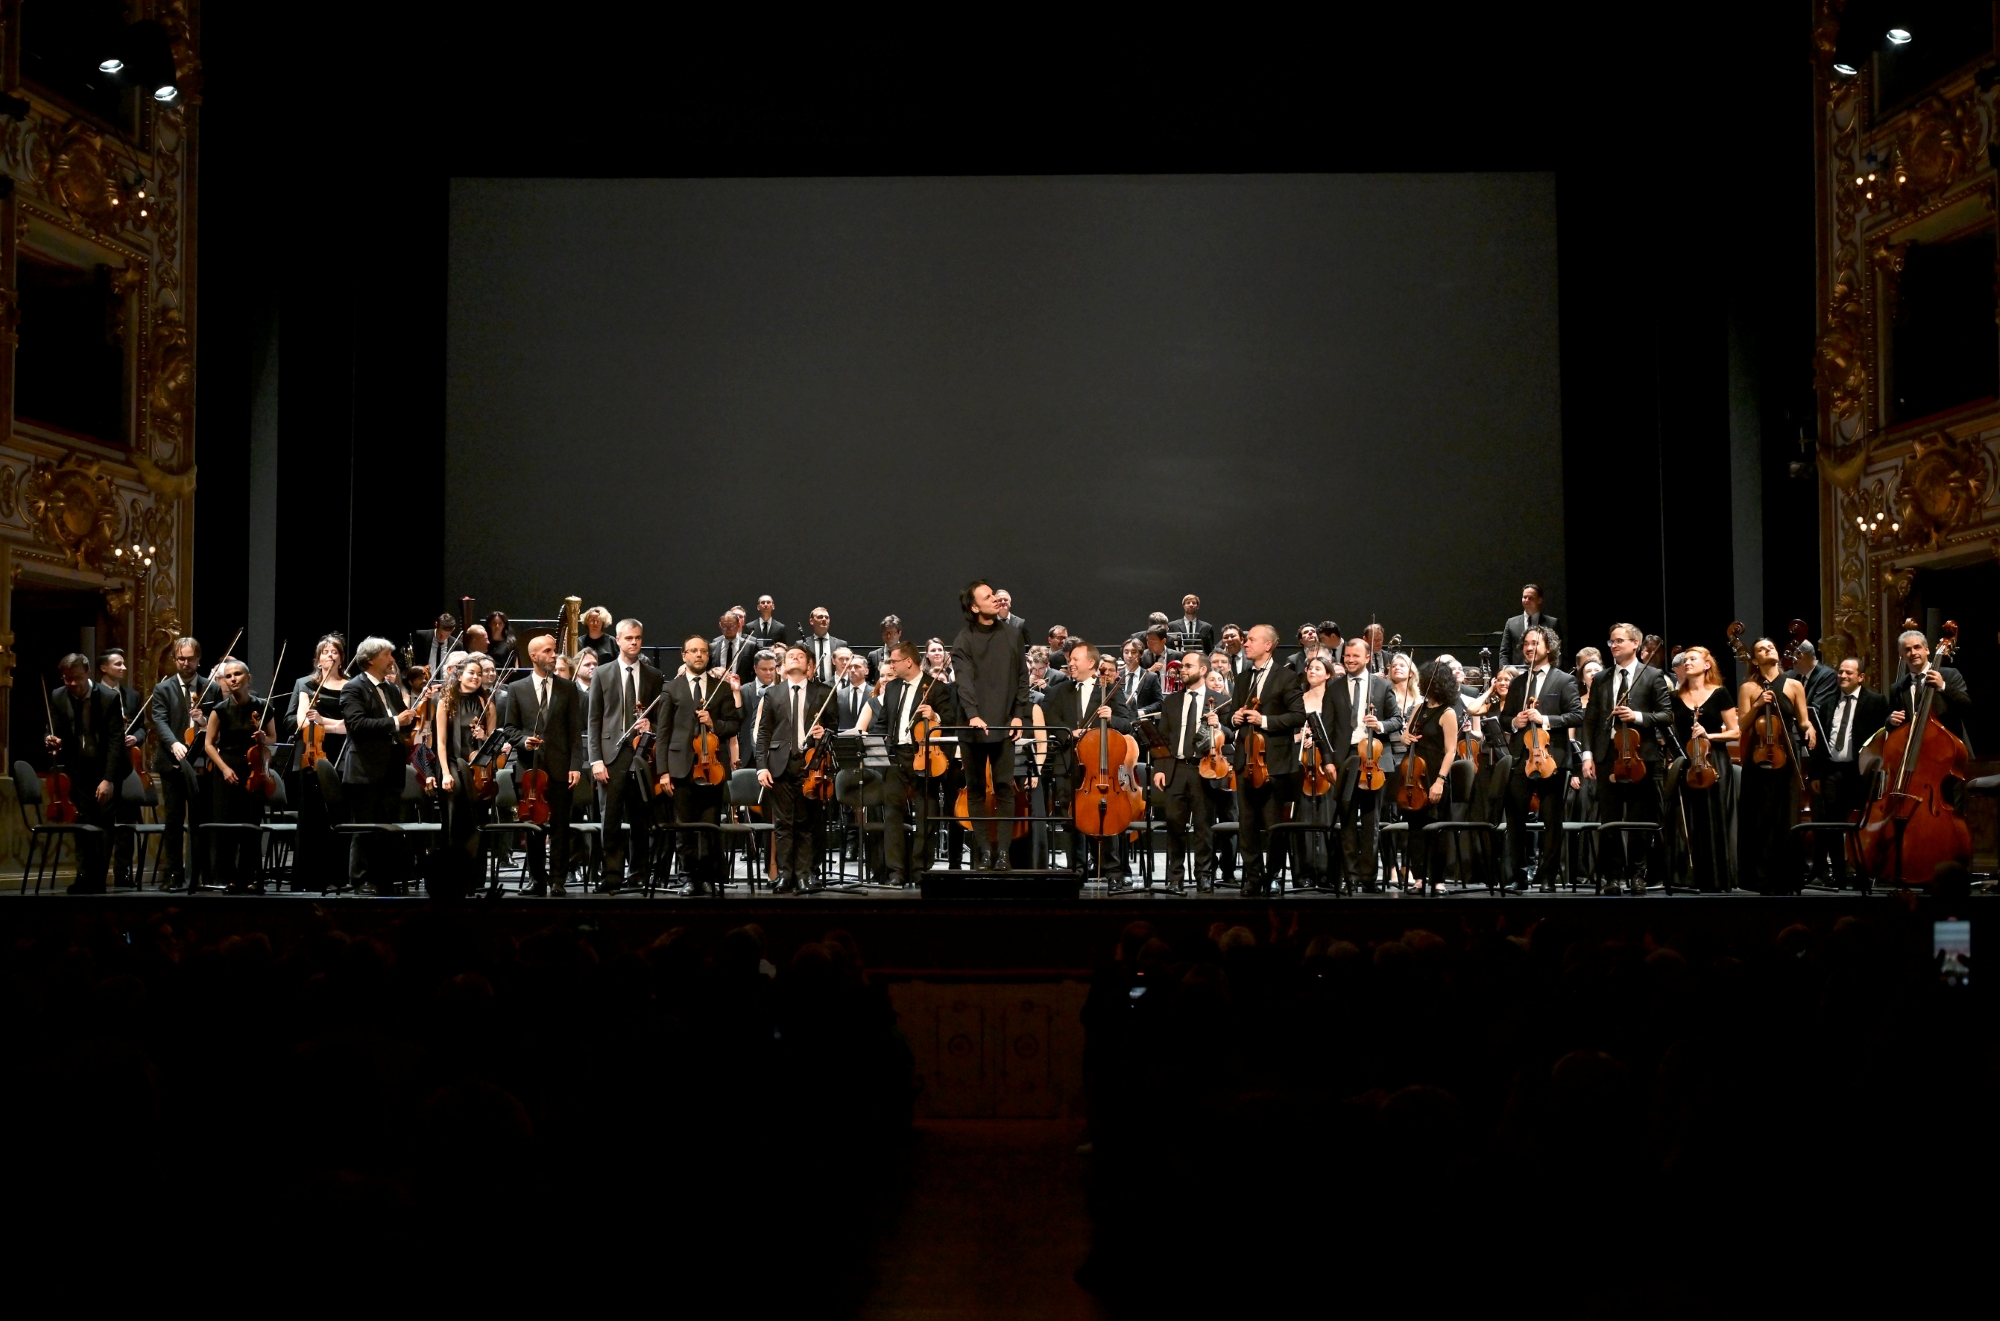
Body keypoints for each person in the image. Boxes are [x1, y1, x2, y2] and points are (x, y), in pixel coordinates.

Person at [1580, 622, 1675, 893]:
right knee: (1608, 819)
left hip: (1640, 756)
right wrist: (1588, 755)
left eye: (1619, 640)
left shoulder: (1653, 676)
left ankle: (1637, 874)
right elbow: (1591, 719)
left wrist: (1637, 717)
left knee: (1638, 820)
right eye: (1611, 641)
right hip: (1607, 754)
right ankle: (1612, 876)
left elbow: (1666, 716)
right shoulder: (1601, 678)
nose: (1614, 645)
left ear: (1635, 644)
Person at [654, 635, 744, 896]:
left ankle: (706, 876)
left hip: (712, 768)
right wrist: (663, 772)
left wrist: (713, 723)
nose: (699, 655)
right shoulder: (671, 689)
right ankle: (687, 877)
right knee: (685, 828)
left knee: (708, 826)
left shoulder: (722, 688)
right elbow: (663, 733)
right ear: (684, 655)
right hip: (681, 767)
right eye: (693, 651)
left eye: (703, 651)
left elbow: (734, 725)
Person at [952, 580, 1031, 871]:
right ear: (975, 607)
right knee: (974, 789)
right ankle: (984, 851)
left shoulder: (1013, 634)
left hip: (1004, 724)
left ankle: (1003, 854)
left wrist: (1019, 714)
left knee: (1003, 788)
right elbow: (964, 680)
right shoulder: (964, 639)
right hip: (972, 725)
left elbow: (1023, 678)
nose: (996, 599)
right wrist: (973, 714)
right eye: (988, 597)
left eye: (995, 595)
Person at [1500, 626, 1583, 891]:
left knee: (1551, 820)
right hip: (1520, 759)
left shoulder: (1563, 680)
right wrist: (1515, 720)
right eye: (1525, 643)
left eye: (1534, 643)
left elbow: (1576, 715)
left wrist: (1544, 719)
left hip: (1551, 759)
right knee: (1515, 820)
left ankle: (1548, 877)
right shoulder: (1518, 682)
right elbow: (1504, 718)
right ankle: (1519, 876)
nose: (1528, 647)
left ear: (1549, 647)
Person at [586, 618, 665, 892]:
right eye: (628, 638)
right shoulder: (602, 672)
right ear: (617, 640)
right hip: (611, 753)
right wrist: (595, 759)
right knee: (611, 818)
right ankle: (611, 875)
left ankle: (639, 873)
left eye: (638, 638)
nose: (634, 642)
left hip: (642, 753)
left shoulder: (654, 675)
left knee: (640, 817)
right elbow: (594, 719)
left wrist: (650, 726)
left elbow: (660, 720)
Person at [1045, 642, 1135, 882]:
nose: (1070, 663)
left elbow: (1127, 724)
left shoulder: (1110, 689)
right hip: (1069, 764)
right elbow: (1049, 719)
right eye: (1070, 659)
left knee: (1106, 813)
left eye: (1075, 659)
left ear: (1091, 663)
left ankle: (1112, 869)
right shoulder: (1059, 691)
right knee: (1070, 817)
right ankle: (1077, 868)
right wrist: (1067, 733)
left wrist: (1112, 717)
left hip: (1100, 768)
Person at [503, 633, 585, 895]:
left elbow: (575, 731)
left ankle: (558, 880)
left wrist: (575, 765)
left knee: (560, 826)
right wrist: (525, 741)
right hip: (531, 769)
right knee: (534, 827)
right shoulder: (517, 689)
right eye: (548, 652)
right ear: (534, 657)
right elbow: (509, 729)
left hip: (561, 766)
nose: (553, 656)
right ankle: (537, 879)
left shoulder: (567, 688)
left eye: (554, 651)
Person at [1736, 635, 1817, 894]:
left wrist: (1810, 727)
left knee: (1786, 816)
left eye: (1770, 645)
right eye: (1761, 648)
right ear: (1755, 658)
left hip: (1786, 754)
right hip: (1758, 757)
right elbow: (1742, 726)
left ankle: (1786, 877)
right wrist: (1759, 704)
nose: (1767, 649)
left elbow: (1802, 720)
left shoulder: (1794, 685)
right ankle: (1759, 878)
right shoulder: (1748, 687)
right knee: (1760, 816)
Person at [1231, 624, 1307, 896]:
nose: (1245, 643)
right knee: (1247, 825)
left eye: (1251, 639)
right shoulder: (1242, 678)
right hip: (1244, 762)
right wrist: (1234, 718)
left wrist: (1264, 720)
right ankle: (1253, 876)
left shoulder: (1286, 677)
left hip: (1273, 764)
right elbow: (1232, 714)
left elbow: (1299, 716)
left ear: (1268, 645)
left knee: (1274, 826)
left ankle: (1274, 875)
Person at [755, 643, 835, 892]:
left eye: (800, 656)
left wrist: (825, 734)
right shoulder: (773, 693)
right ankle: (785, 874)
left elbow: (834, 726)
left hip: (810, 764)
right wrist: (761, 767)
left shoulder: (823, 692)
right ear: (783, 666)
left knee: (805, 822)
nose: (795, 658)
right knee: (783, 824)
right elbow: (764, 733)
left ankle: (804, 874)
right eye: (790, 656)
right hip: (780, 764)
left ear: (809, 666)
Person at [876, 641, 956, 887]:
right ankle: (896, 872)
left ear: (908, 661)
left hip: (924, 756)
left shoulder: (936, 689)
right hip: (896, 758)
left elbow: (951, 721)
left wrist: (935, 716)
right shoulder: (891, 688)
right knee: (892, 816)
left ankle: (921, 870)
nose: (891, 665)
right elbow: (882, 723)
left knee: (926, 816)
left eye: (894, 661)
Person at [1327, 636, 1401, 893]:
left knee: (1371, 822)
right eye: (1346, 656)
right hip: (1345, 760)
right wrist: (1329, 762)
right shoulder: (1334, 687)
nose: (1349, 660)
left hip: (1374, 758)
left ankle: (1369, 877)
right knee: (1346, 821)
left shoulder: (1381, 686)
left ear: (1367, 658)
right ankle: (1351, 877)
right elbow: (1327, 728)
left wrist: (1379, 725)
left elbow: (1397, 720)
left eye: (1355, 656)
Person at [1665, 644, 1740, 892]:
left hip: (1713, 760)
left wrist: (1709, 736)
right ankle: (1690, 877)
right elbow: (1672, 732)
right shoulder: (1675, 698)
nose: (1687, 663)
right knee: (1689, 818)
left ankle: (1716, 879)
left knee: (1714, 816)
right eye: (1685, 660)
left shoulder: (1720, 693)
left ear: (1707, 665)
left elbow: (1735, 731)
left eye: (1693, 659)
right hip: (1687, 761)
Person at [45, 654, 122, 893]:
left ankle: (98, 879)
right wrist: (51, 739)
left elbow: (115, 741)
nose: (72, 684)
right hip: (77, 770)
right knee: (82, 823)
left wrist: (108, 779)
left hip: (105, 769)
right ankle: (83, 875)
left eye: (76, 678)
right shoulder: (59, 695)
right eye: (67, 679)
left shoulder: (109, 697)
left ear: (88, 672)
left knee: (103, 825)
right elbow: (55, 729)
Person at [202, 659, 278, 893]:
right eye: (228, 676)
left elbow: (274, 738)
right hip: (228, 770)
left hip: (253, 771)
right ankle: (230, 878)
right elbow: (209, 744)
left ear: (248, 678)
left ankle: (250, 877)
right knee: (228, 828)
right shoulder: (220, 709)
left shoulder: (263, 706)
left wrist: (264, 740)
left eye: (237, 674)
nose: (233, 679)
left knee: (251, 826)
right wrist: (224, 768)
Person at [1813, 655, 1888, 882]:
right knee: (1833, 822)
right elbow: (1820, 741)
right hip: (1833, 770)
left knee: (1860, 821)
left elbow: (1883, 737)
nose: (1843, 676)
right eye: (1841, 671)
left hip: (1861, 773)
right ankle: (1839, 873)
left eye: (1849, 673)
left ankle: (1863, 870)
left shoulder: (1876, 701)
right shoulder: (1827, 703)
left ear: (1861, 677)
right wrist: (1816, 774)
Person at [285, 633, 350, 893]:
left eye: (335, 651)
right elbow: (296, 722)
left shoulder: (351, 686)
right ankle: (310, 878)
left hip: (341, 755)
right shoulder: (305, 685)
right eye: (325, 651)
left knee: (339, 816)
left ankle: (338, 875)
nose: (330, 655)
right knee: (312, 818)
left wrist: (325, 723)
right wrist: (317, 723)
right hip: (312, 754)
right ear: (317, 658)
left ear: (342, 658)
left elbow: (351, 726)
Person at [148, 635, 213, 890]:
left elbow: (216, 722)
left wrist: (204, 722)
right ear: (175, 660)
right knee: (173, 820)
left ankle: (199, 873)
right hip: (172, 762)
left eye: (190, 659)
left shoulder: (211, 687)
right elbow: (159, 720)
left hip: (200, 762)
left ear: (198, 659)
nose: (185, 663)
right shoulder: (162, 689)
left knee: (199, 820)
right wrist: (174, 743)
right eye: (181, 659)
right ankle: (173, 874)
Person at [1150, 651, 1218, 891]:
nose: (1182, 670)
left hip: (1203, 768)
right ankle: (1175, 877)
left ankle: (1204, 875)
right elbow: (1163, 738)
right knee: (1174, 825)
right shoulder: (1172, 701)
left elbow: (1230, 734)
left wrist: (1218, 726)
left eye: (1188, 666)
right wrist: (1160, 768)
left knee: (1203, 826)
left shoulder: (1218, 700)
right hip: (1175, 769)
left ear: (1203, 670)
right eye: (1182, 666)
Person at [433, 652, 497, 899]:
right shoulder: (445, 701)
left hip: (477, 768)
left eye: (479, 674)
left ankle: (475, 877)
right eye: (471, 673)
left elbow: (492, 742)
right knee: (454, 817)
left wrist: (483, 738)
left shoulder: (486, 703)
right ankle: (451, 878)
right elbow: (439, 742)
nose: (476, 677)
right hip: (450, 764)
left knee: (477, 819)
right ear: (459, 675)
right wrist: (446, 773)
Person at [1399, 663, 1461, 888]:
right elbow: (1405, 735)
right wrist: (1405, 738)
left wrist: (1440, 781)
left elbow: (1451, 751)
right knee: (1415, 828)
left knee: (1437, 829)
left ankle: (1438, 880)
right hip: (1415, 776)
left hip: (1435, 774)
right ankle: (1419, 878)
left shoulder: (1448, 713)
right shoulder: (1418, 707)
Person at [96, 648, 144, 887]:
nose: (124, 668)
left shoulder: (132, 696)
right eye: (118, 664)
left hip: (126, 764)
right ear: (104, 668)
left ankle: (123, 873)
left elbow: (142, 728)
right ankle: (99, 874)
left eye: (124, 664)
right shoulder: (94, 694)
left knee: (127, 822)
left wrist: (135, 737)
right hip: (103, 765)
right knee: (104, 823)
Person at [1293, 655, 1339, 889]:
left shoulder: (1335, 700)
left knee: (1328, 821)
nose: (1311, 671)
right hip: (1304, 766)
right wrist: (1301, 738)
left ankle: (1327, 873)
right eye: (1310, 668)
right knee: (1303, 821)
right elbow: (1289, 732)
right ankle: (1304, 873)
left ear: (1328, 674)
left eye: (1318, 668)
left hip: (1326, 766)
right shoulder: (1298, 700)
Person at [1887, 627, 1972, 745]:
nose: (1913, 653)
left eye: (1917, 647)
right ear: (1901, 656)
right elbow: (1891, 724)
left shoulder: (1950, 675)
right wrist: (1891, 721)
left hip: (1947, 747)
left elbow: (1966, 706)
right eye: (1907, 649)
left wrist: (1943, 686)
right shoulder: (1897, 687)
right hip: (1915, 750)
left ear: (1927, 650)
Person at [737, 649, 779, 768]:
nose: (768, 673)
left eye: (772, 669)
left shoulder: (782, 691)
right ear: (755, 669)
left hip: (774, 751)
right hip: (747, 753)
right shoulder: (743, 690)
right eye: (764, 669)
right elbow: (738, 719)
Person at [1498, 584, 1558, 669]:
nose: (1526, 600)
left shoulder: (1552, 623)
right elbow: (1504, 653)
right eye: (1524, 597)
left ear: (1539, 600)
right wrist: (1505, 672)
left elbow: (1557, 653)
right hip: (1517, 673)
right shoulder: (1511, 623)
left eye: (1530, 598)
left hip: (1544, 673)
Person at [1116, 638, 1163, 716]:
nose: (1129, 656)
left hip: (1141, 721)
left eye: (1134, 652)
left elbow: (1159, 703)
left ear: (1141, 654)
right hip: (1121, 722)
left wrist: (1142, 712)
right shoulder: (1117, 676)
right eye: (1126, 652)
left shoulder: (1150, 677)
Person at [713, 608, 757, 681]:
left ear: (738, 625)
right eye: (724, 626)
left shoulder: (750, 646)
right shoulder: (713, 646)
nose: (728, 629)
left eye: (732, 626)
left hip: (742, 689)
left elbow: (755, 671)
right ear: (720, 625)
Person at [866, 615, 905, 683]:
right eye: (885, 633)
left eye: (892, 633)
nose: (888, 636)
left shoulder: (908, 653)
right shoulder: (873, 655)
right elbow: (867, 680)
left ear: (899, 633)